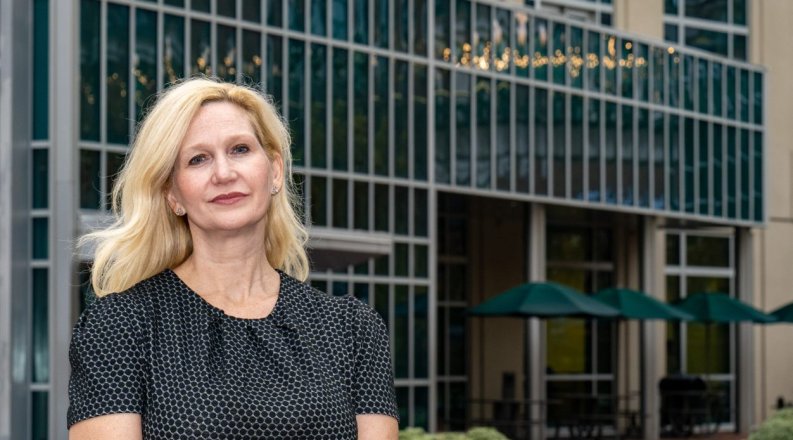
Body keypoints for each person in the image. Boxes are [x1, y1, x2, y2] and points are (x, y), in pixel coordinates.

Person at [68, 78, 399, 439]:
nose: (224, 173)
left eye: (240, 149)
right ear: (172, 194)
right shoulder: (120, 327)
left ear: (273, 170)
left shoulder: (352, 329)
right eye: (198, 159)